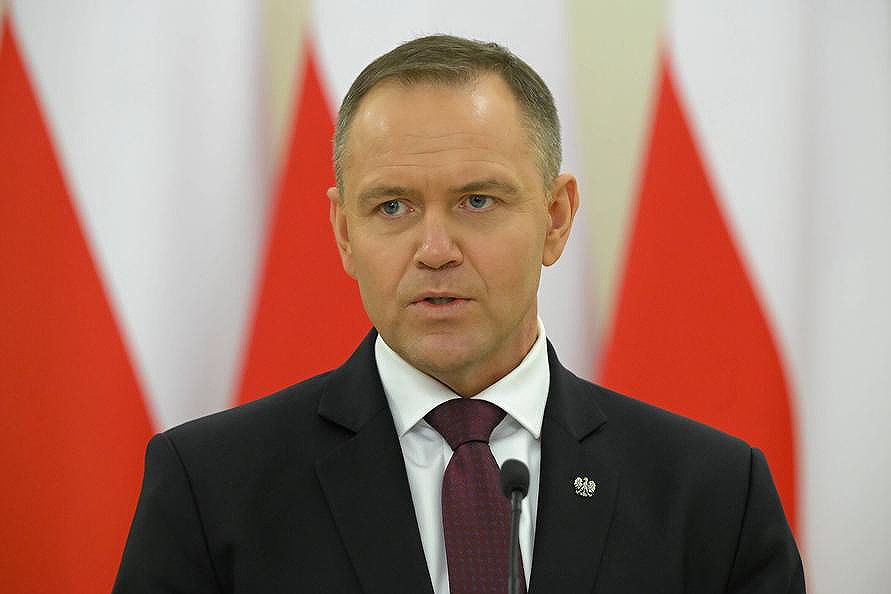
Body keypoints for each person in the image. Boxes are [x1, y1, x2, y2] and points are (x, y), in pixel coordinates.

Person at [113, 35, 805, 593]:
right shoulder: (211, 486)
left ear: (555, 218)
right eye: (392, 207)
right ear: (345, 233)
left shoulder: (713, 492)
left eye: (477, 201)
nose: (435, 251)